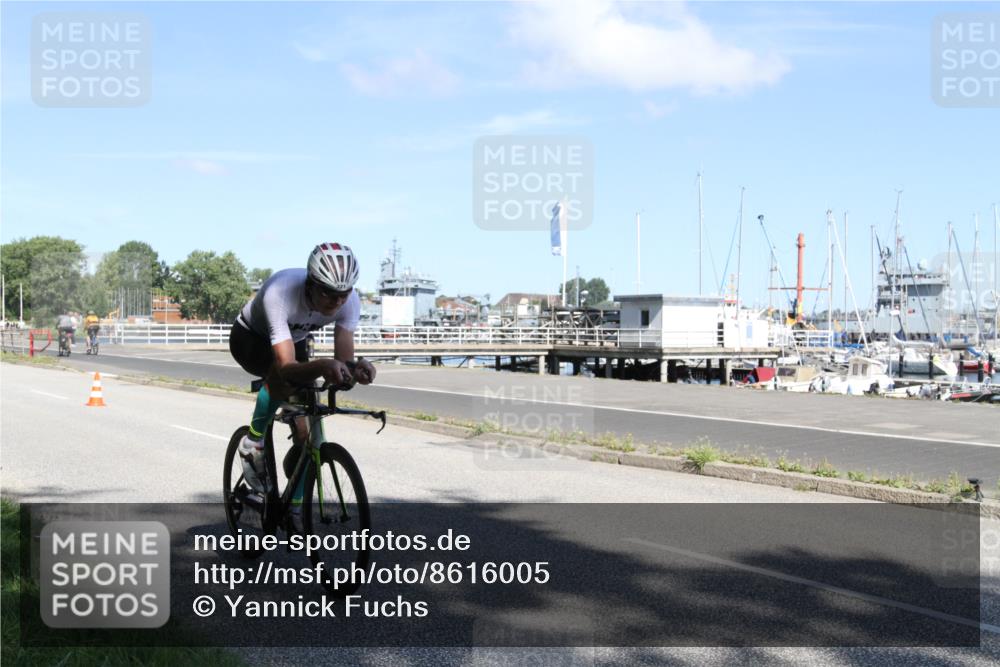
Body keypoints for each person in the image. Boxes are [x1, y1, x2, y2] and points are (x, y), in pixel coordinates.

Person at [229, 243, 376, 497]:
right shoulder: (281, 290)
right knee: (284, 379)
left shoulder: (349, 301)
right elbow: (286, 368)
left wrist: (354, 371)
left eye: (344, 294)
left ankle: (295, 507)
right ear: (311, 283)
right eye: (329, 293)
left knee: (306, 429)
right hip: (251, 339)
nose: (337, 301)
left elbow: (344, 362)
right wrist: (321, 366)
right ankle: (252, 441)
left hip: (293, 338)